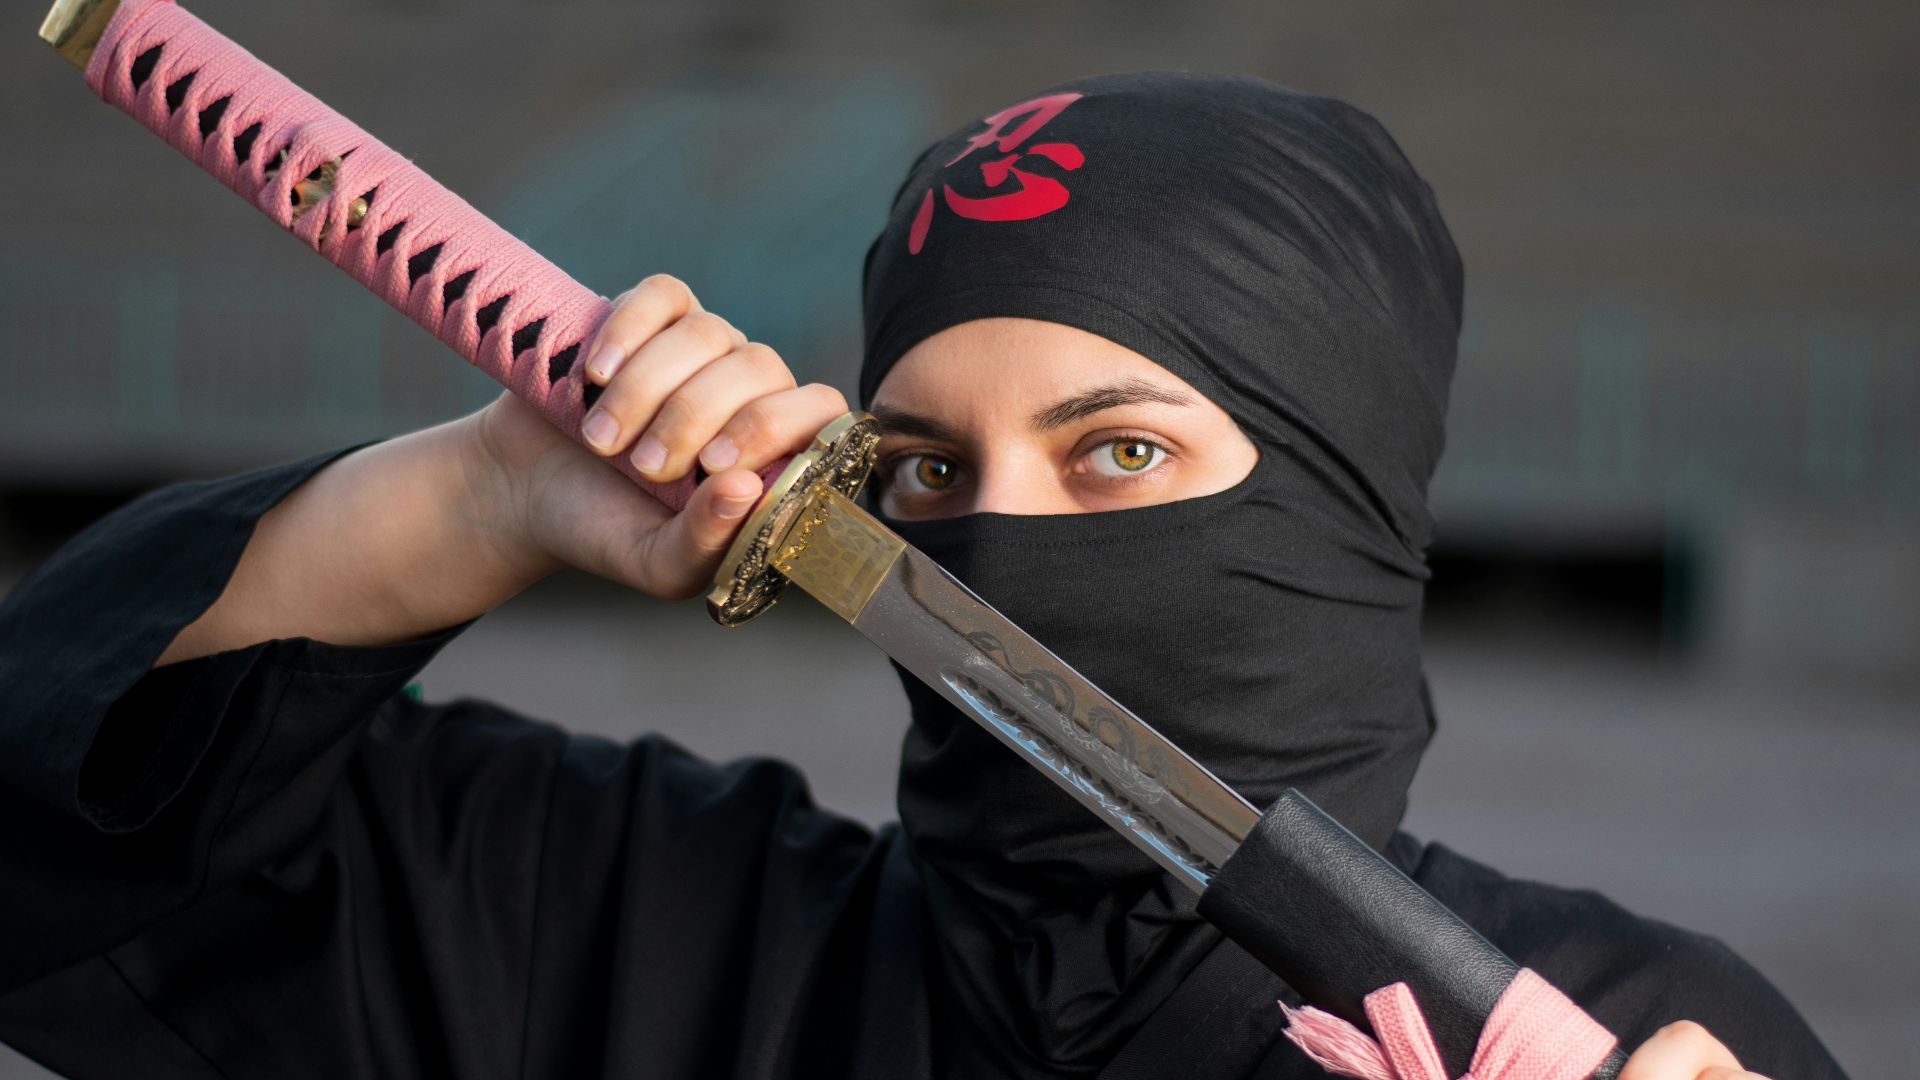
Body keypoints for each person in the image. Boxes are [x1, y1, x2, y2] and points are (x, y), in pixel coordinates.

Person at [0, 73, 1844, 1080]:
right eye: (924, 471)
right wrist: (483, 496)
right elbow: (56, 839)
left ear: (1344, 504)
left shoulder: (1631, 1034)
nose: (999, 547)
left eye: (1116, 454)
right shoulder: (619, 928)